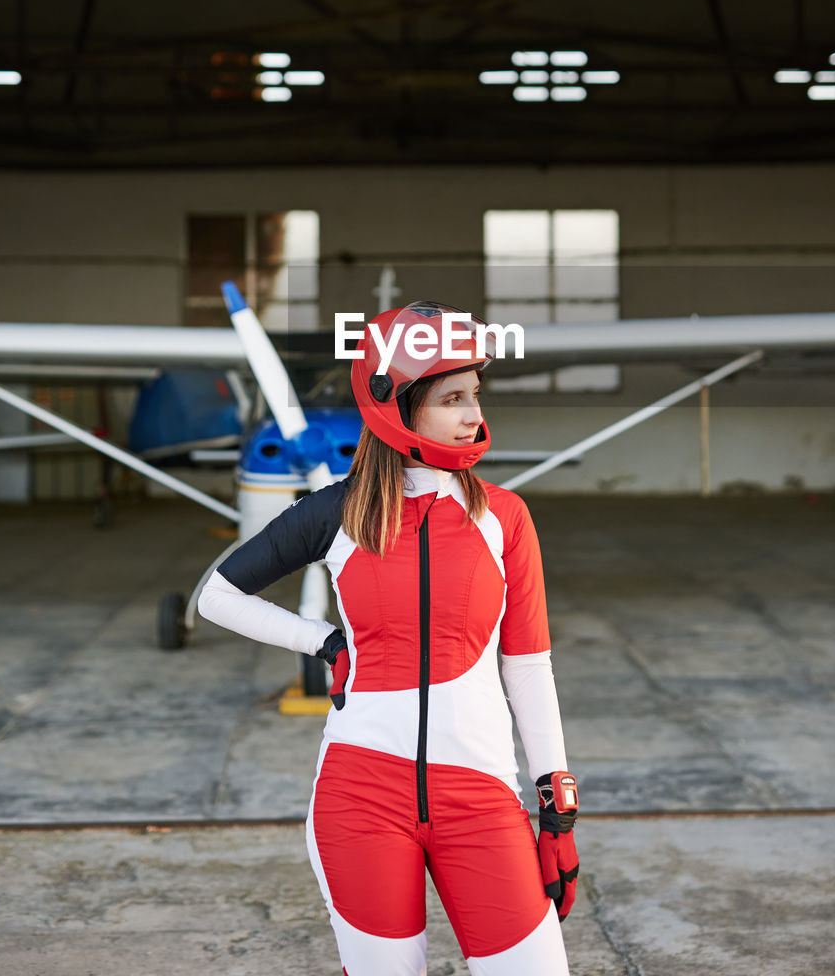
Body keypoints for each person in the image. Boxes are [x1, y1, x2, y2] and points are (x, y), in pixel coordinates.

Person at [198, 301, 579, 976]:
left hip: (481, 797)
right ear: (397, 405)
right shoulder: (337, 511)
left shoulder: (505, 519)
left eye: (475, 396)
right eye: (453, 398)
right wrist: (323, 642)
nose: (474, 415)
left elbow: (528, 665)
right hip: (360, 797)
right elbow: (218, 597)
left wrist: (557, 803)